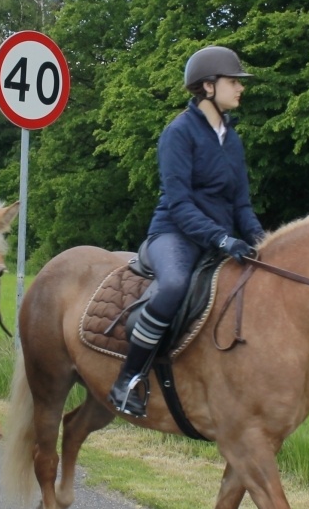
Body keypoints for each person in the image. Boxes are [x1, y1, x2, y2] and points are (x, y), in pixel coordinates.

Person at [109, 46, 266, 418]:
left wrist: (263, 242)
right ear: (208, 87)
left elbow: (241, 205)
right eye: (233, 82)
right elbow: (180, 205)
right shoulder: (178, 133)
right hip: (174, 235)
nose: (240, 88)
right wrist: (222, 239)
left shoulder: (232, 139)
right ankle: (127, 379)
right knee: (175, 285)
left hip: (218, 238)